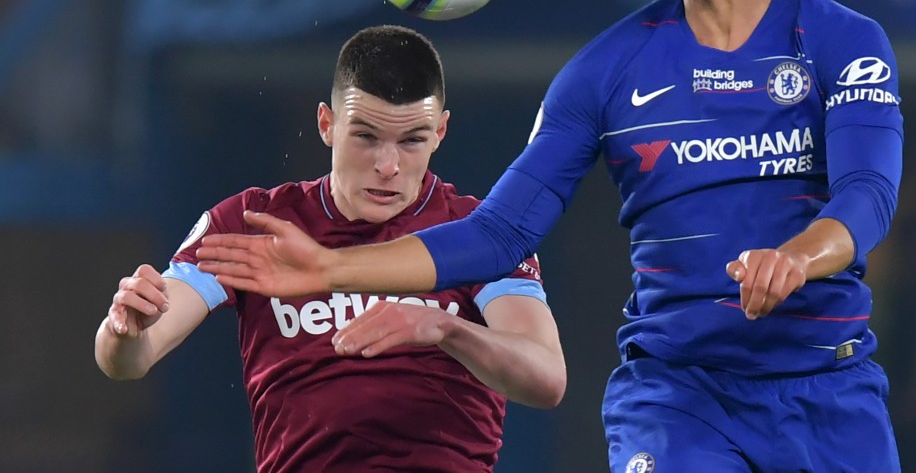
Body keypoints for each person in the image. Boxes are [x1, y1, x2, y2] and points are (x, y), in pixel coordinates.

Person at [197, 0, 904, 472]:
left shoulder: (841, 40)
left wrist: (796, 257)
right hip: (679, 401)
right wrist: (329, 267)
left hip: (830, 392)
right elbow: (500, 233)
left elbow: (867, 194)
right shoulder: (604, 72)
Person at [94, 25, 566, 473]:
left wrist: (446, 328)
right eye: (365, 137)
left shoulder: (478, 232)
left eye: (412, 141)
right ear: (327, 124)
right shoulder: (255, 223)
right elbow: (129, 360)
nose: (387, 165)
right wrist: (125, 330)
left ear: (440, 133)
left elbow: (546, 379)